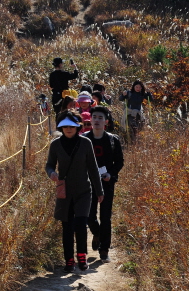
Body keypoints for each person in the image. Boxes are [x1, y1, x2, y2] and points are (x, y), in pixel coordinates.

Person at [45, 110, 104, 273]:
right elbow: (49, 165)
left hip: (84, 191)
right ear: (61, 128)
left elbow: (93, 168)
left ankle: (82, 258)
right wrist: (52, 173)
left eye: (71, 126)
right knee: (67, 227)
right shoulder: (55, 144)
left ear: (77, 127)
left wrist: (99, 191)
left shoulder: (86, 143)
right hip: (64, 192)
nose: (68, 129)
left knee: (80, 224)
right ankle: (69, 260)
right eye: (65, 127)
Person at [81, 106, 124, 263]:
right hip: (88, 183)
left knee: (106, 217)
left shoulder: (113, 140)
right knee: (89, 216)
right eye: (94, 117)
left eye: (100, 118)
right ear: (90, 120)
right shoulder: (84, 139)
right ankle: (97, 233)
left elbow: (119, 162)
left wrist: (110, 174)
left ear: (106, 121)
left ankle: (104, 250)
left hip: (106, 183)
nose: (97, 120)